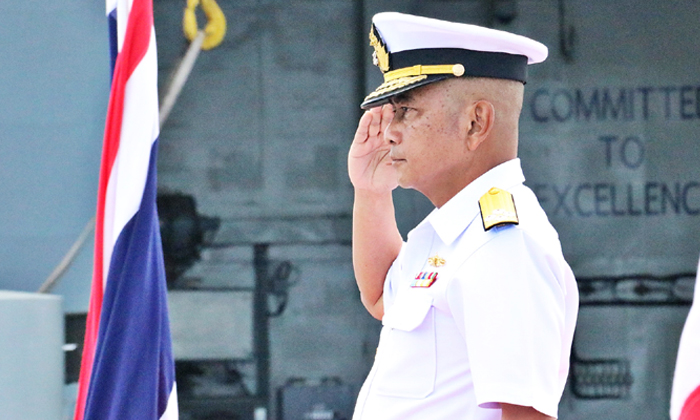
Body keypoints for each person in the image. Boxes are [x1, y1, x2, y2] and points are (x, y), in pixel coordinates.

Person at [347, 12, 579, 420]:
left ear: (476, 122)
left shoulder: (504, 243)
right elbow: (382, 296)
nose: (389, 131)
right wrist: (371, 192)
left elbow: (526, 414)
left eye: (407, 111)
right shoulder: (452, 232)